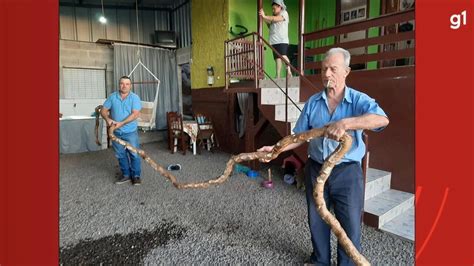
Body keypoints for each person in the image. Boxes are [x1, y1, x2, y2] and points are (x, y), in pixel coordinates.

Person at [258, 47, 389, 265]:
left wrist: (346, 123)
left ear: (346, 72)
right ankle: (320, 260)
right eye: (324, 69)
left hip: (347, 173)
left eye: (333, 69)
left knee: (350, 225)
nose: (327, 74)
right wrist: (275, 150)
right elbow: (299, 136)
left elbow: (381, 120)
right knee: (316, 220)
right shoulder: (313, 103)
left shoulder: (357, 100)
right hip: (316, 168)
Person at [101, 76, 143, 186]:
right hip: (116, 132)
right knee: (120, 154)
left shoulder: (135, 98)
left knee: (134, 154)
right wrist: (108, 119)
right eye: (122, 83)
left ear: (130, 86)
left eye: (127, 84)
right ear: (119, 84)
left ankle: (136, 176)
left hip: (130, 132)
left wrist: (121, 123)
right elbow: (103, 110)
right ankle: (126, 175)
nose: (124, 86)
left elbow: (135, 114)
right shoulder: (112, 97)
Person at [259, 0, 292, 78]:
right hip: (274, 41)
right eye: (272, 9)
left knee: (283, 55)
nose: (273, 10)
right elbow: (271, 27)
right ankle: (278, 75)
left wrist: (265, 16)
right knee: (277, 58)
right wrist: (265, 19)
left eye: (274, 8)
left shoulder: (284, 13)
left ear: (280, 7)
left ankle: (289, 71)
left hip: (282, 40)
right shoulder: (274, 16)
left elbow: (276, 19)